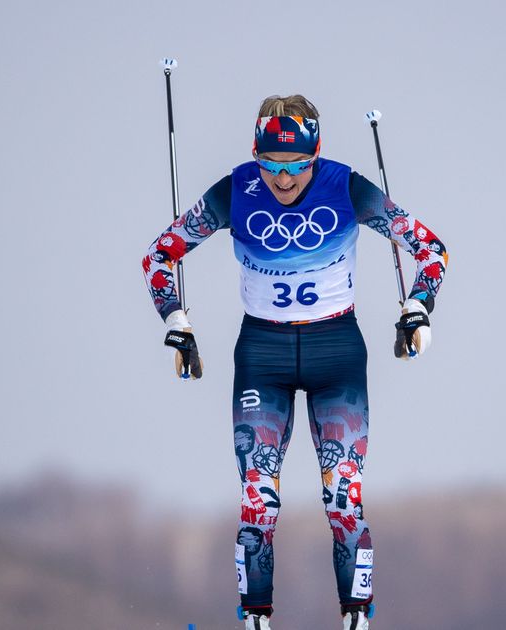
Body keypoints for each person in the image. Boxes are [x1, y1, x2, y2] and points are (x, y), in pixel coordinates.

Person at [142, 95, 448, 630]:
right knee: (258, 502)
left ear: (317, 154)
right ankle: (255, 620)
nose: (284, 180)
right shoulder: (236, 189)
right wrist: (176, 321)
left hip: (337, 354)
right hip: (264, 355)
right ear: (255, 154)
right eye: (272, 165)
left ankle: (357, 617)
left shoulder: (346, 186)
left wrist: (418, 307)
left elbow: (430, 249)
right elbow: (159, 255)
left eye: (297, 166)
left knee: (342, 498)